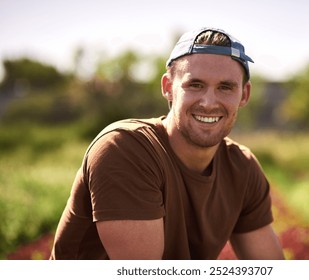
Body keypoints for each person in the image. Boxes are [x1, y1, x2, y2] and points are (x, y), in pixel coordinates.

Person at [50, 27, 285, 260]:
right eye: (195, 85)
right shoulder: (125, 149)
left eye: (225, 87)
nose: (209, 102)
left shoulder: (241, 167)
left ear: (244, 95)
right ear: (168, 87)